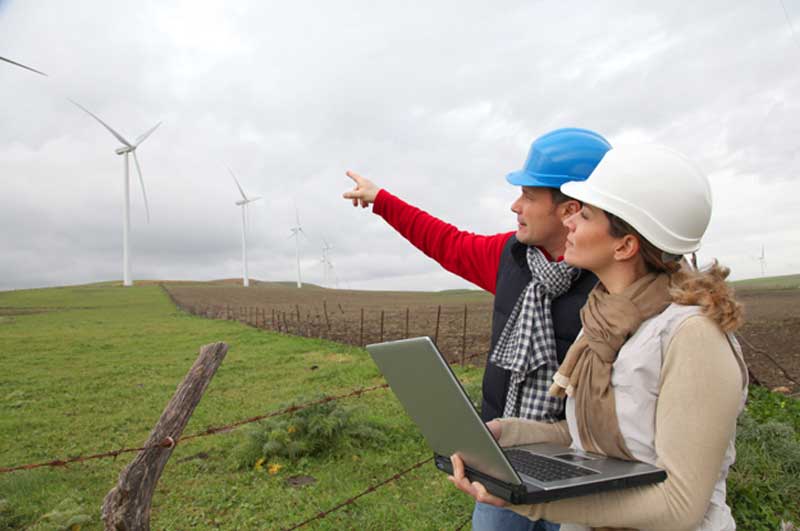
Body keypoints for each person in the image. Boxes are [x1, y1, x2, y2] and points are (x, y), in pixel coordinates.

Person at [448, 144, 749, 531]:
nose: (570, 221)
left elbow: (679, 506)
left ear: (625, 245)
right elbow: (585, 438)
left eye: (585, 214)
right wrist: (506, 433)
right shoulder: (603, 318)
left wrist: (530, 503)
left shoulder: (692, 337)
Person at [343, 128, 612, 531]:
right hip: (504, 463)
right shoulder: (510, 258)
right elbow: (446, 242)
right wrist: (382, 200)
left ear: (569, 210)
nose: (515, 205)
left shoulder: (616, 281)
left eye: (529, 196)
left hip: (582, 478)